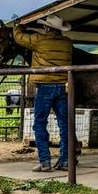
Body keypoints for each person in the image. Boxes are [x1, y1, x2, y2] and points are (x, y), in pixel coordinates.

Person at [13, 15, 73, 172]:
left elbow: (19, 38)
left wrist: (17, 26)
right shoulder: (67, 43)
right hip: (63, 87)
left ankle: (45, 162)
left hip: (45, 87)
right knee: (64, 125)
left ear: (47, 28)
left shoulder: (40, 40)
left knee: (39, 123)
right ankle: (65, 160)